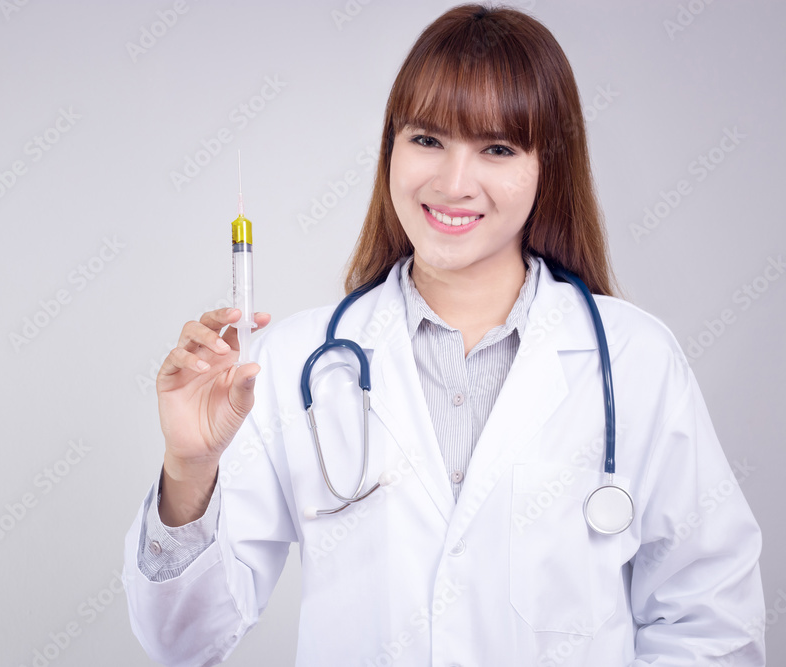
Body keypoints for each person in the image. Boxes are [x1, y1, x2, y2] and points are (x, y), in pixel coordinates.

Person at [122, 4, 766, 665]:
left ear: (548, 165)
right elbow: (184, 642)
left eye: (497, 149)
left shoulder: (634, 360)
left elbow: (712, 625)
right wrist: (190, 467)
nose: (454, 184)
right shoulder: (291, 364)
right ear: (390, 149)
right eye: (427, 140)